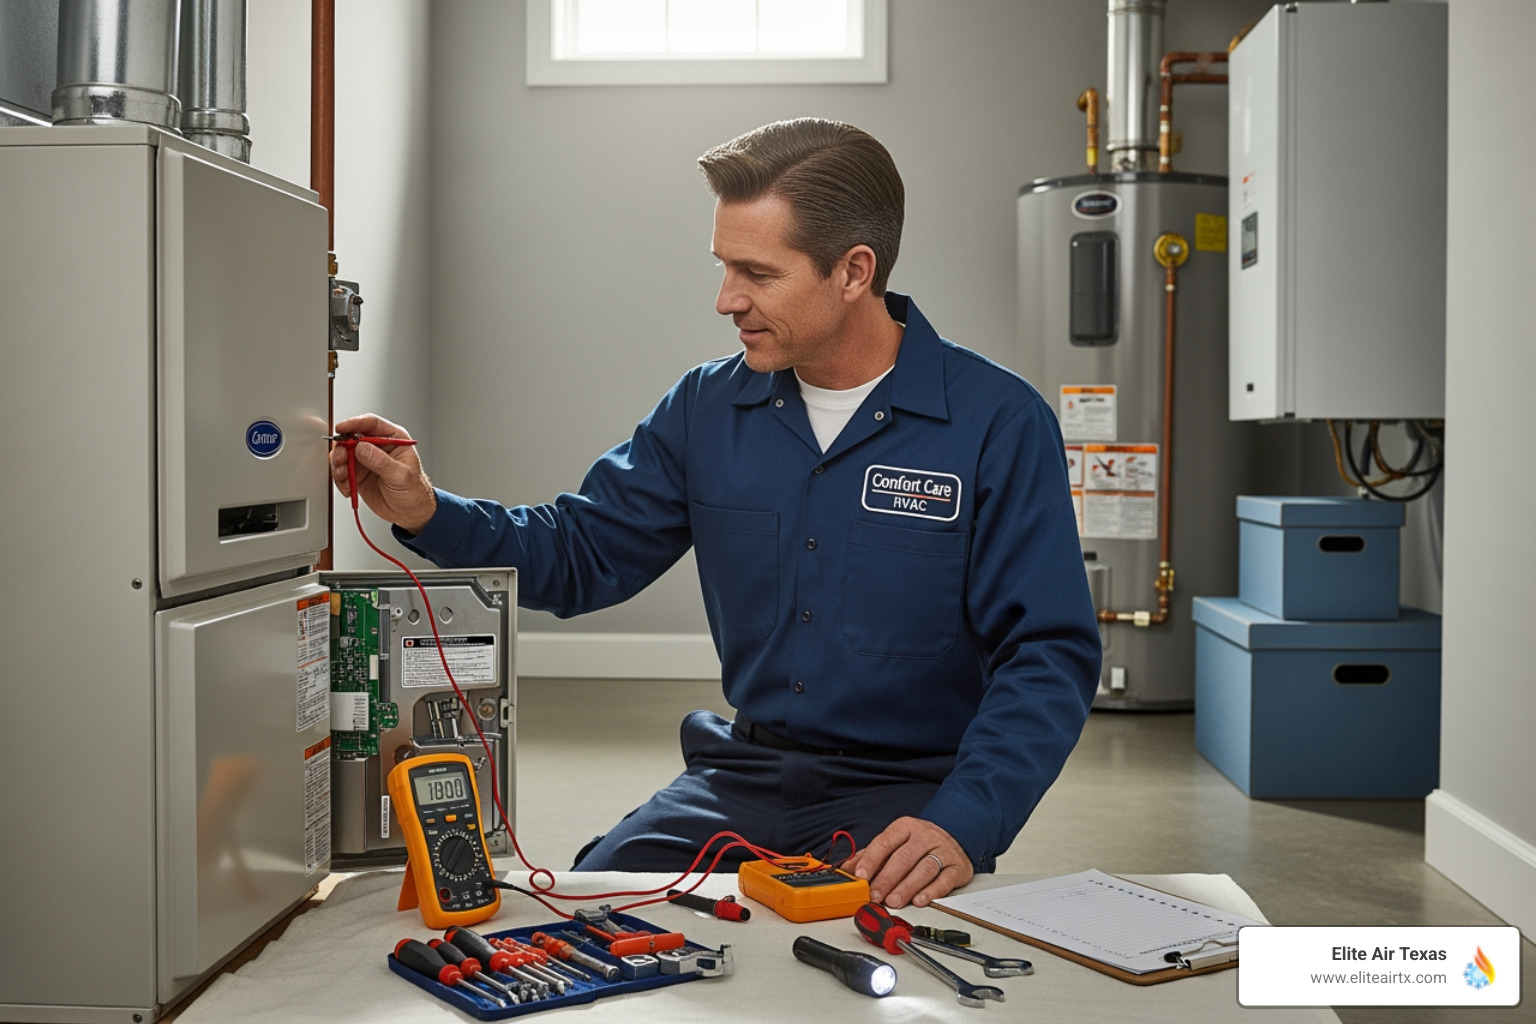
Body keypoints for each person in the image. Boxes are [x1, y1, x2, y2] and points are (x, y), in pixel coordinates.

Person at [331, 118, 1100, 910]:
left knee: (858, 957)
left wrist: (964, 820)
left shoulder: (998, 423)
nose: (727, 299)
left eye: (757, 273)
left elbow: (1047, 652)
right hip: (743, 779)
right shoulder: (706, 406)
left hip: (902, 793)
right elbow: (583, 551)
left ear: (853, 271)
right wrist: (426, 511)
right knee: (593, 903)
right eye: (725, 266)